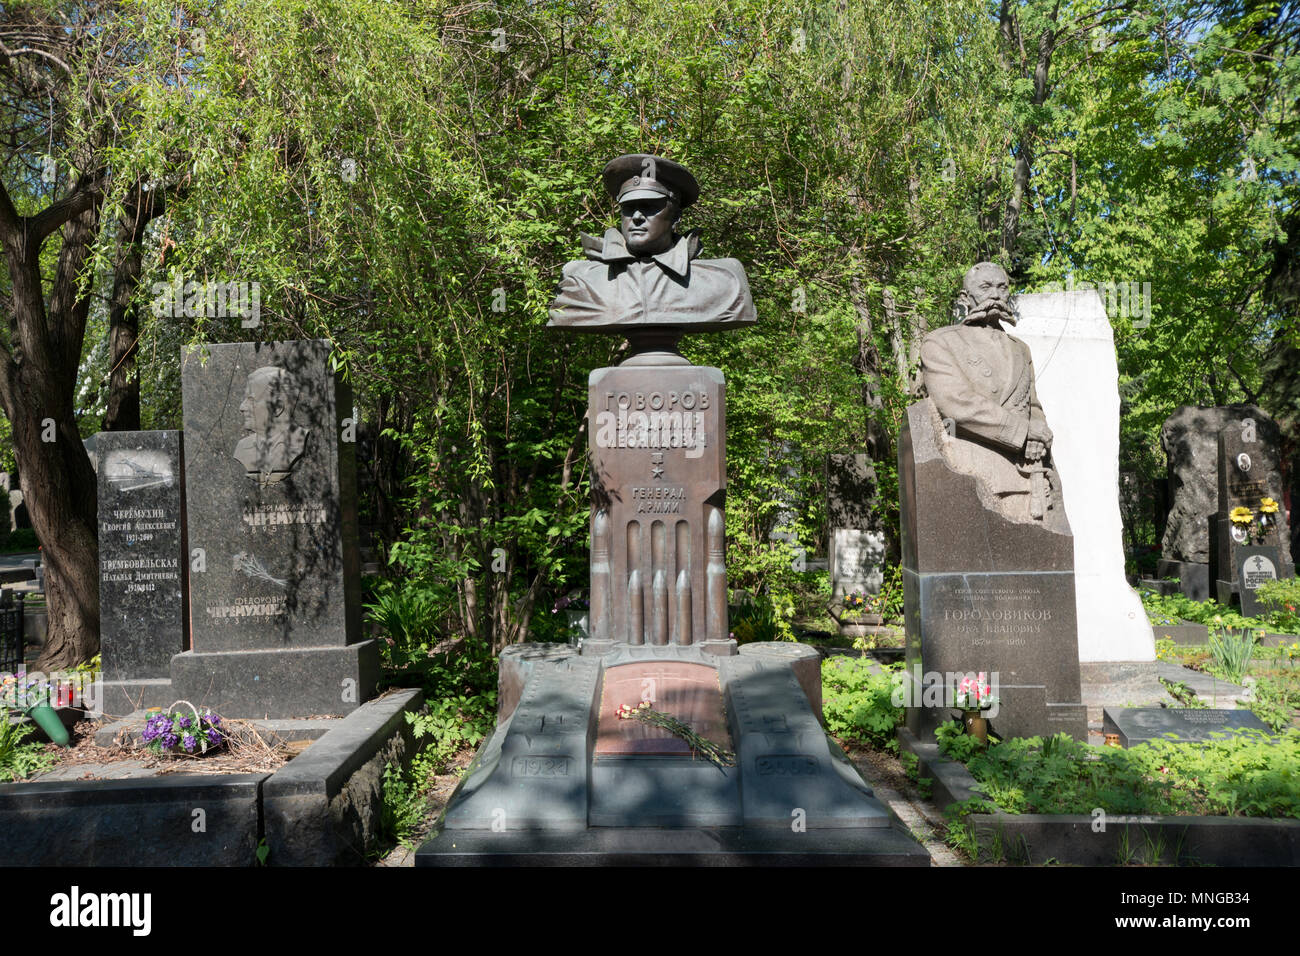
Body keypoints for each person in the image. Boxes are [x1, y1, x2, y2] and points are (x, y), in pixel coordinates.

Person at [920, 262, 1066, 529]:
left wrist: (1038, 433)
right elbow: (955, 403)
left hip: (1026, 474)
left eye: (1002, 287)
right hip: (976, 469)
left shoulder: (1021, 349)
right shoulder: (941, 342)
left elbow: (1033, 405)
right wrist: (1022, 432)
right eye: (985, 287)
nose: (996, 295)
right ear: (965, 298)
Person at [547, 154, 756, 335]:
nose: (637, 217)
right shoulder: (580, 279)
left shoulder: (724, 279)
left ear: (676, 217)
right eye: (628, 207)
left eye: (649, 206)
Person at [233, 366, 310, 484]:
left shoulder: (299, 441)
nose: (242, 407)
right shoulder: (242, 448)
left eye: (251, 400)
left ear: (277, 407)